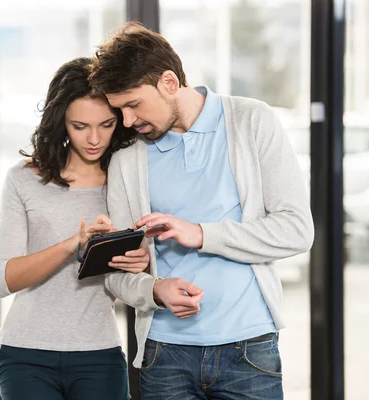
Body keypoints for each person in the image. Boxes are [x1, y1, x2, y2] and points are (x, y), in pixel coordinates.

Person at [88, 22, 315, 399]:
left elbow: (296, 230)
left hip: (250, 349)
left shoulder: (252, 121)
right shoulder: (128, 160)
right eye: (119, 109)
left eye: (133, 104)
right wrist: (155, 290)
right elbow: (115, 274)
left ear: (169, 82)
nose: (127, 122)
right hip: (164, 355)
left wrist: (202, 233)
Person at [0, 57, 156, 400]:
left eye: (107, 124)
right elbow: (1, 280)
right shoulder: (23, 180)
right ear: (60, 122)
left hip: (99, 352)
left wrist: (141, 260)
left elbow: (139, 273)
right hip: (25, 353)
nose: (94, 138)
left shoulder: (126, 181)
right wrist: (71, 245)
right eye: (80, 126)